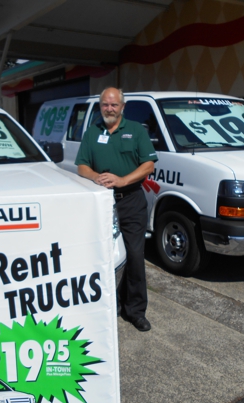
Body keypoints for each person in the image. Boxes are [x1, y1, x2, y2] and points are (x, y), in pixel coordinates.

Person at [75, 87, 158, 331]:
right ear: (100, 107)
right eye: (105, 105)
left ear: (122, 107)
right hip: (103, 202)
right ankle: (106, 305)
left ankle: (135, 311)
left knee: (133, 255)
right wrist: (96, 177)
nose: (109, 109)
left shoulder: (135, 131)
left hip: (131, 200)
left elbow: (148, 165)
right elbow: (82, 166)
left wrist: (122, 180)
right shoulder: (92, 132)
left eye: (113, 105)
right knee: (101, 256)